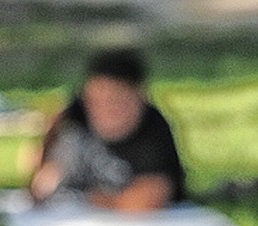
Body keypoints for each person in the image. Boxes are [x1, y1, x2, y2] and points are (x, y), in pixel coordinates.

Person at [30, 48, 185, 212]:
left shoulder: (154, 132)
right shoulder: (76, 114)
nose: (105, 108)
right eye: (96, 100)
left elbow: (147, 199)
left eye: (116, 100)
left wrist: (92, 200)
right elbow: (40, 162)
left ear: (139, 97)